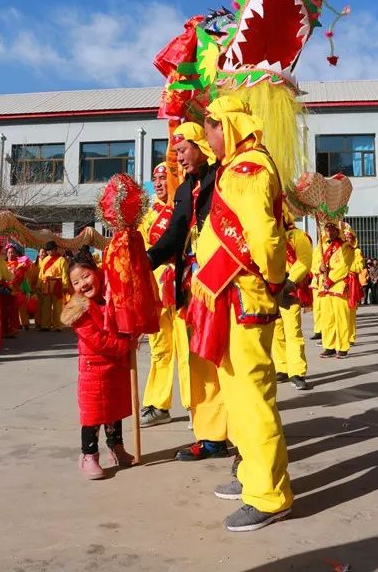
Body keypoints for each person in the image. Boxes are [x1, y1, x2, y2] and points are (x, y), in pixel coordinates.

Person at [190, 95, 293, 531]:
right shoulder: (237, 165)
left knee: (252, 399)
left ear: (227, 126)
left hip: (243, 298)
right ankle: (253, 475)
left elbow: (265, 239)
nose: (208, 138)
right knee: (236, 395)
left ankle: (270, 495)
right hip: (229, 296)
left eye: (211, 128)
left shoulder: (246, 168)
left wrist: (272, 280)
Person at [147, 123, 228, 461]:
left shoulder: (224, 178)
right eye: (176, 152)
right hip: (188, 288)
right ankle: (211, 437)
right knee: (197, 361)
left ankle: (241, 436)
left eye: (183, 150)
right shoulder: (184, 191)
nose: (178, 158)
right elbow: (175, 235)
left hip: (222, 284)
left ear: (201, 146)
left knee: (226, 362)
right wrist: (145, 260)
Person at [61, 253, 134, 480]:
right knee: (93, 416)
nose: (83, 284)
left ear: (97, 272)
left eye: (86, 276)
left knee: (115, 411)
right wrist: (125, 344)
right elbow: (98, 341)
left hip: (116, 366)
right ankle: (89, 455)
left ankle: (116, 447)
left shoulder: (113, 296)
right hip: (94, 369)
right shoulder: (78, 310)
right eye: (76, 282)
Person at [139, 162, 191, 427]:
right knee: (159, 349)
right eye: (155, 179)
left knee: (187, 348)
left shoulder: (186, 208)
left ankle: (196, 404)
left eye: (164, 178)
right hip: (157, 290)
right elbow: (140, 255)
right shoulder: (148, 217)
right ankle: (158, 404)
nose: (159, 183)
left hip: (183, 286)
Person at [271, 209, 312, 391]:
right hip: (271, 289)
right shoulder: (269, 236)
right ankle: (282, 367)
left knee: (292, 331)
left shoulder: (297, 236)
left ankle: (297, 371)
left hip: (288, 290)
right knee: (276, 331)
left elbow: (304, 261)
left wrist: (290, 281)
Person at [317, 222, 355, 359]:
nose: (329, 233)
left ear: (337, 231)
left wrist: (330, 279)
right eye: (327, 230)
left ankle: (343, 347)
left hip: (338, 285)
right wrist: (319, 268)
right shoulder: (322, 246)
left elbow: (344, 266)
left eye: (332, 230)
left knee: (341, 318)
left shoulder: (346, 247)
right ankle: (329, 346)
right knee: (327, 318)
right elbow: (315, 261)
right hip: (325, 287)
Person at [38, 241, 69, 331]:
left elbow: (64, 274)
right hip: (46, 284)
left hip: (57, 284)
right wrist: (38, 284)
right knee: (45, 306)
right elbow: (41, 273)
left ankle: (58, 326)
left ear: (55, 250)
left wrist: (65, 286)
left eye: (50, 250)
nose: (48, 252)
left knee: (57, 306)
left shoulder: (61, 260)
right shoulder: (45, 259)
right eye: (47, 250)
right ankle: (45, 325)